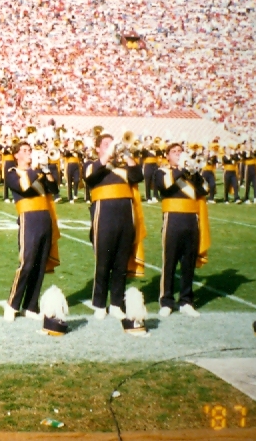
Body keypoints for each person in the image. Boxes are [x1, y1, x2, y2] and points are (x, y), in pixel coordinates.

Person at [84, 133, 145, 320]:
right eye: (106, 144)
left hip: (125, 216)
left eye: (112, 144)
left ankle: (117, 303)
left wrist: (126, 153)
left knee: (120, 263)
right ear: (97, 148)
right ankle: (100, 304)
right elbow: (90, 177)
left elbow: (138, 175)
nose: (111, 146)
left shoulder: (124, 168)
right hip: (104, 216)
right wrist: (108, 155)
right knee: (104, 262)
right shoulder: (92, 164)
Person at [2, 141, 60, 321]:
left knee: (40, 265)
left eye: (30, 150)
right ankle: (12, 304)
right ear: (16, 155)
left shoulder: (39, 173)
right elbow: (23, 187)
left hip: (45, 218)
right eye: (25, 151)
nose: (29, 153)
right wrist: (35, 169)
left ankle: (31, 306)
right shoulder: (12, 173)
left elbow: (55, 189)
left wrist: (47, 170)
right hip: (29, 219)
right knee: (27, 263)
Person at [154, 143, 210, 317]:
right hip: (173, 219)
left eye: (180, 151)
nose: (178, 154)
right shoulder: (162, 172)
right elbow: (165, 186)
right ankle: (166, 301)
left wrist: (195, 173)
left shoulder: (190, 174)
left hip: (192, 220)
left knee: (188, 263)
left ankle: (186, 300)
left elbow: (205, 190)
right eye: (174, 152)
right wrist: (180, 169)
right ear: (167, 156)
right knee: (169, 262)